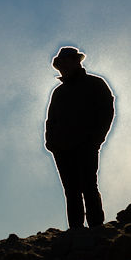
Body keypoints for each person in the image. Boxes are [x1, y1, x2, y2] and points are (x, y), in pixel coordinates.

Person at [45, 47, 114, 229]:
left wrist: (97, 138)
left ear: (77, 61)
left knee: (88, 185)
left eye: (66, 62)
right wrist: (51, 142)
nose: (63, 67)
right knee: (71, 190)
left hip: (86, 145)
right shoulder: (58, 93)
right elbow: (51, 120)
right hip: (62, 148)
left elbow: (107, 111)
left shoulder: (95, 84)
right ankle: (76, 229)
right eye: (60, 64)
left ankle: (96, 227)